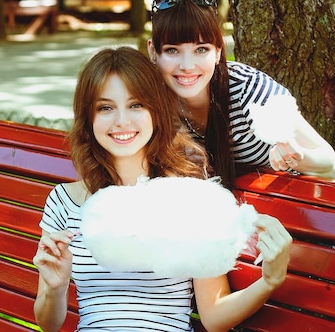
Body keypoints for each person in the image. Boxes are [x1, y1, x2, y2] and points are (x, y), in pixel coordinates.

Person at [33, 46, 292, 332]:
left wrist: (270, 280)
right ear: (89, 118)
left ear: (155, 111)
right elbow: (48, 323)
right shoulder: (65, 201)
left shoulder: (189, 198)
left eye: (136, 105)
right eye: (105, 108)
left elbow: (214, 315)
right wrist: (55, 288)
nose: (122, 121)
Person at [147, 0, 335, 188]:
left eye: (201, 49)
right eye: (172, 51)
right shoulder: (150, 101)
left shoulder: (249, 90)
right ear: (153, 51)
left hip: (288, 203)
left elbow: (329, 165)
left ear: (218, 52)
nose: (187, 66)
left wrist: (295, 158)